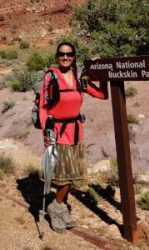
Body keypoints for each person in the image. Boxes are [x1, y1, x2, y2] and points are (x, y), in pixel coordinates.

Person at [39, 41, 108, 233]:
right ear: (57, 56)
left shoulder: (79, 78)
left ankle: (59, 207)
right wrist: (46, 133)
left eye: (69, 54)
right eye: (62, 54)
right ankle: (57, 207)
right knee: (64, 176)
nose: (65, 57)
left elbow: (102, 95)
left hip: (76, 130)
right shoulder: (50, 77)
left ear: (74, 57)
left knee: (72, 174)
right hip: (57, 131)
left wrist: (101, 73)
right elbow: (44, 108)